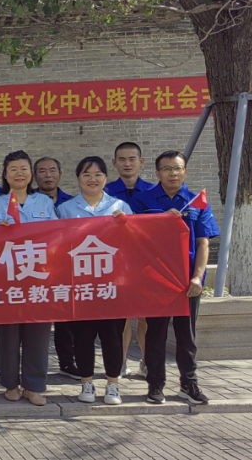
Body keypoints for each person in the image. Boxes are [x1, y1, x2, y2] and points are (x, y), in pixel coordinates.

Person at [131, 150, 219, 406]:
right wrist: (161, 220)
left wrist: (198, 278)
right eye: (167, 169)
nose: (173, 173)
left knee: (186, 336)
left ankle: (189, 384)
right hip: (155, 280)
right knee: (155, 334)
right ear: (157, 173)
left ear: (185, 172)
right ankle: (155, 384)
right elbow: (134, 236)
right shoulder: (143, 200)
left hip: (187, 282)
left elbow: (203, 243)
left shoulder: (196, 202)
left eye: (178, 168)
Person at [0, 150, 59, 406]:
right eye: (13, 169)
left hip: (38, 277)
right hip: (7, 278)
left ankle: (33, 386)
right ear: (5, 175)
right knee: (8, 333)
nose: (19, 173)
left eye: (24, 169)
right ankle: (10, 383)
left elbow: (56, 236)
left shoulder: (45, 203)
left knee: (38, 332)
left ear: (31, 174)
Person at [57, 156, 131, 405]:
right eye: (86, 175)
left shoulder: (120, 206)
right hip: (81, 284)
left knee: (112, 336)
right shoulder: (66, 209)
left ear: (106, 178)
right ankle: (86, 382)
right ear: (78, 178)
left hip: (112, 283)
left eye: (98, 174)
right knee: (83, 336)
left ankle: (113, 384)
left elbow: (133, 242)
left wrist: (126, 225)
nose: (92, 179)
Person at [107, 141, 156, 377]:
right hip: (116, 263)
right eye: (122, 159)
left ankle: (146, 362)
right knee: (122, 317)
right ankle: (121, 361)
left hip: (145, 262)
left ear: (141, 162)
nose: (127, 163)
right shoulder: (105, 193)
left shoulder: (153, 192)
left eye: (132, 159)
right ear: (114, 163)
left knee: (145, 316)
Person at [34, 155, 80, 380]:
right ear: (35, 176)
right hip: (34, 269)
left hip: (65, 269)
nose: (48, 175)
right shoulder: (27, 201)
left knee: (66, 319)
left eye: (52, 170)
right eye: (42, 171)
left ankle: (67, 362)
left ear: (60, 174)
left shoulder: (71, 204)